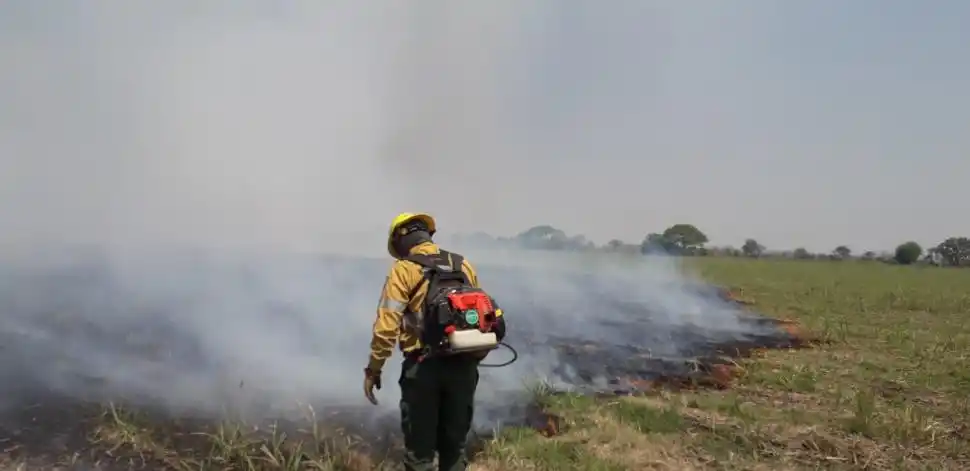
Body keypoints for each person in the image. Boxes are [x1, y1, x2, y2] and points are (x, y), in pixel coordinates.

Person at [363, 212, 507, 471]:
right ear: (428, 234)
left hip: (423, 369)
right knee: (455, 449)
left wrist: (374, 369)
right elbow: (480, 316)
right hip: (463, 367)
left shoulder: (404, 269)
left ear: (400, 240)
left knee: (420, 454)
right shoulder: (464, 265)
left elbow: (386, 329)